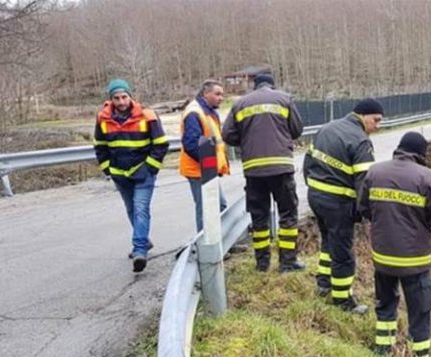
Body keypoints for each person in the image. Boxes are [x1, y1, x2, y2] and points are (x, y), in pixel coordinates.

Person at [357, 132, 431, 357]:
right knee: (419, 312)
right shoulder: (428, 178)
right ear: (421, 154)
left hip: (383, 257)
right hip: (414, 261)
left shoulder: (375, 172)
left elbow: (363, 208)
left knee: (385, 305)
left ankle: (383, 351)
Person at [303, 98, 384, 314]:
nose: (377, 126)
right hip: (338, 204)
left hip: (316, 197)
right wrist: (365, 213)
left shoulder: (327, 128)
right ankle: (343, 301)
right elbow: (365, 184)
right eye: (375, 120)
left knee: (328, 242)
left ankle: (323, 283)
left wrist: (313, 188)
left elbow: (307, 162)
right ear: (363, 116)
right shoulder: (360, 141)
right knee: (343, 253)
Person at [222, 73, 304, 273]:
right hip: (281, 167)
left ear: (254, 86)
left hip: (254, 170)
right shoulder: (284, 99)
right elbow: (297, 129)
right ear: (272, 85)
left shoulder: (240, 104)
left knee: (259, 217)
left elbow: (228, 135)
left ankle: (262, 264)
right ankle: (287, 262)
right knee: (288, 214)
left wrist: (248, 140)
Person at [93, 79, 169, 273]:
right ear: (110, 99)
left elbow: (160, 144)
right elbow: (100, 147)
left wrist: (149, 168)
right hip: (120, 175)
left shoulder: (147, 115)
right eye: (117, 98)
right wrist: (107, 169)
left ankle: (139, 250)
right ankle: (143, 239)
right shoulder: (102, 119)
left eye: (124, 97)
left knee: (140, 208)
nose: (121, 102)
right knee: (131, 210)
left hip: (143, 174)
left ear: (130, 96)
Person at [180, 79, 229, 232]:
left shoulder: (207, 111)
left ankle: (219, 242)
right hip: (200, 170)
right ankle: (206, 246)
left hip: (208, 170)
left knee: (219, 206)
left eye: (222, 95)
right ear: (206, 93)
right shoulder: (195, 112)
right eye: (217, 94)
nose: (221, 98)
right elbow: (191, 144)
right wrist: (208, 164)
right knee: (206, 209)